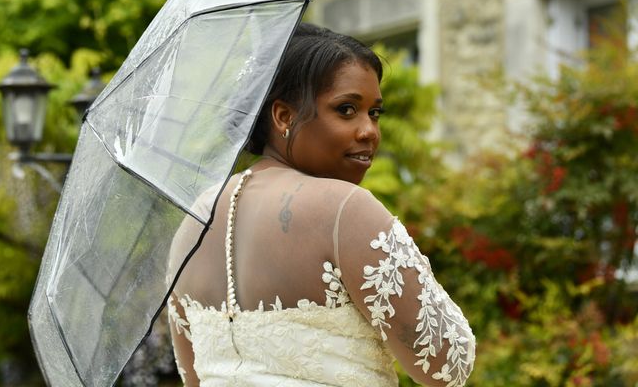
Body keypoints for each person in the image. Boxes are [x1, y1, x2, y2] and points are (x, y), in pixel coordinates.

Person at [167, 23, 476, 386]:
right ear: (284, 116)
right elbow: (445, 364)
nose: (369, 131)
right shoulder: (344, 210)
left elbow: (192, 378)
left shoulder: (194, 223)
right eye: (346, 110)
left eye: (375, 113)